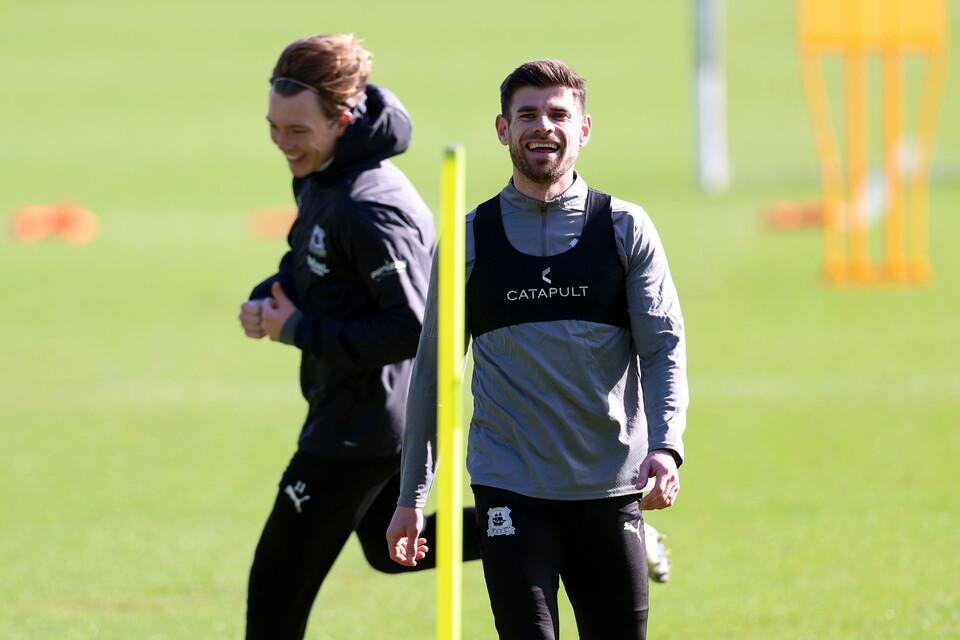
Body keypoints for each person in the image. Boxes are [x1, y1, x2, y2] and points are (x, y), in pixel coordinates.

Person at [387, 59, 688, 639]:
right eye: (527, 115)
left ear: (584, 127)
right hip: (511, 487)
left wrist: (667, 446)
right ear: (503, 129)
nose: (542, 127)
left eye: (558, 114)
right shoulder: (471, 238)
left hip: (611, 485)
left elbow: (662, 349)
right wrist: (410, 497)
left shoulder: (624, 228)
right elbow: (432, 376)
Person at [237, 34, 479, 640]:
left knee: (275, 595)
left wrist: (294, 328)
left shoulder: (372, 206)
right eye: (273, 126)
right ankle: (558, 526)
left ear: (343, 120)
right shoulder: (322, 172)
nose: (282, 143)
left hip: (362, 424)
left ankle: (576, 527)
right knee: (388, 547)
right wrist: (275, 290)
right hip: (354, 411)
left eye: (296, 130)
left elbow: (414, 328)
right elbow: (317, 261)